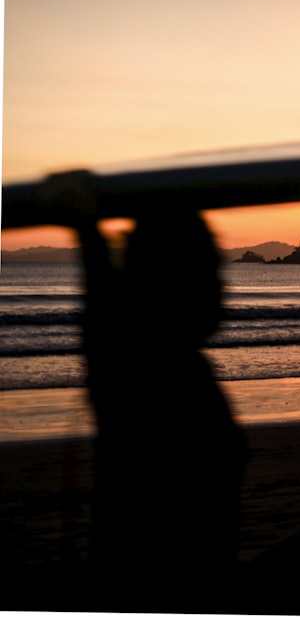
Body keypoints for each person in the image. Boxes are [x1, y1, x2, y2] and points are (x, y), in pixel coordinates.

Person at [40, 172, 248, 608]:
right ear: (171, 286)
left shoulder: (160, 360)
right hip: (158, 586)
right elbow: (104, 291)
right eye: (207, 270)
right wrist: (86, 227)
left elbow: (106, 292)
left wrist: (88, 228)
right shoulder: (133, 362)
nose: (222, 287)